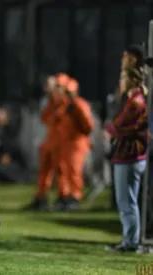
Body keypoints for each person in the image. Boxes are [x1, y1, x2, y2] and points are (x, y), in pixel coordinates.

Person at [104, 68, 148, 252]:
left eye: (123, 78)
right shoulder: (130, 100)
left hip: (130, 156)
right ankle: (130, 240)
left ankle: (131, 242)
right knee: (127, 201)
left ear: (132, 80)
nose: (120, 81)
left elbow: (119, 126)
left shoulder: (135, 102)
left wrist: (112, 129)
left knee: (127, 202)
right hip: (127, 155)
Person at [25, 73, 69, 210]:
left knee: (60, 171)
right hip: (50, 142)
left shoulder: (65, 102)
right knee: (44, 171)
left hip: (61, 143)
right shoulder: (50, 102)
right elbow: (45, 118)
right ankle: (41, 197)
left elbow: (60, 119)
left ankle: (64, 198)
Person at [55, 78, 94, 211]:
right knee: (66, 170)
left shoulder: (79, 104)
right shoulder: (67, 105)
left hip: (77, 143)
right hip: (68, 143)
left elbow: (88, 125)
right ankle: (67, 196)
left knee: (75, 170)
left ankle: (75, 196)